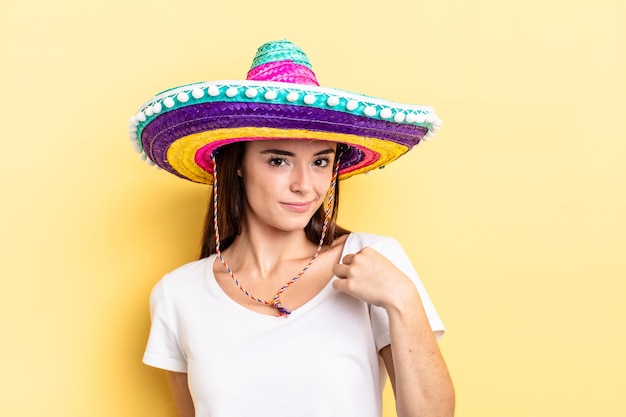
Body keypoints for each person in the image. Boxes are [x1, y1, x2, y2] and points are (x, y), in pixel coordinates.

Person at [129, 39, 454, 417]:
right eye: (279, 161)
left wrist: (403, 299)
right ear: (236, 164)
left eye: (320, 161)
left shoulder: (371, 261)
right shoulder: (178, 293)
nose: (305, 185)